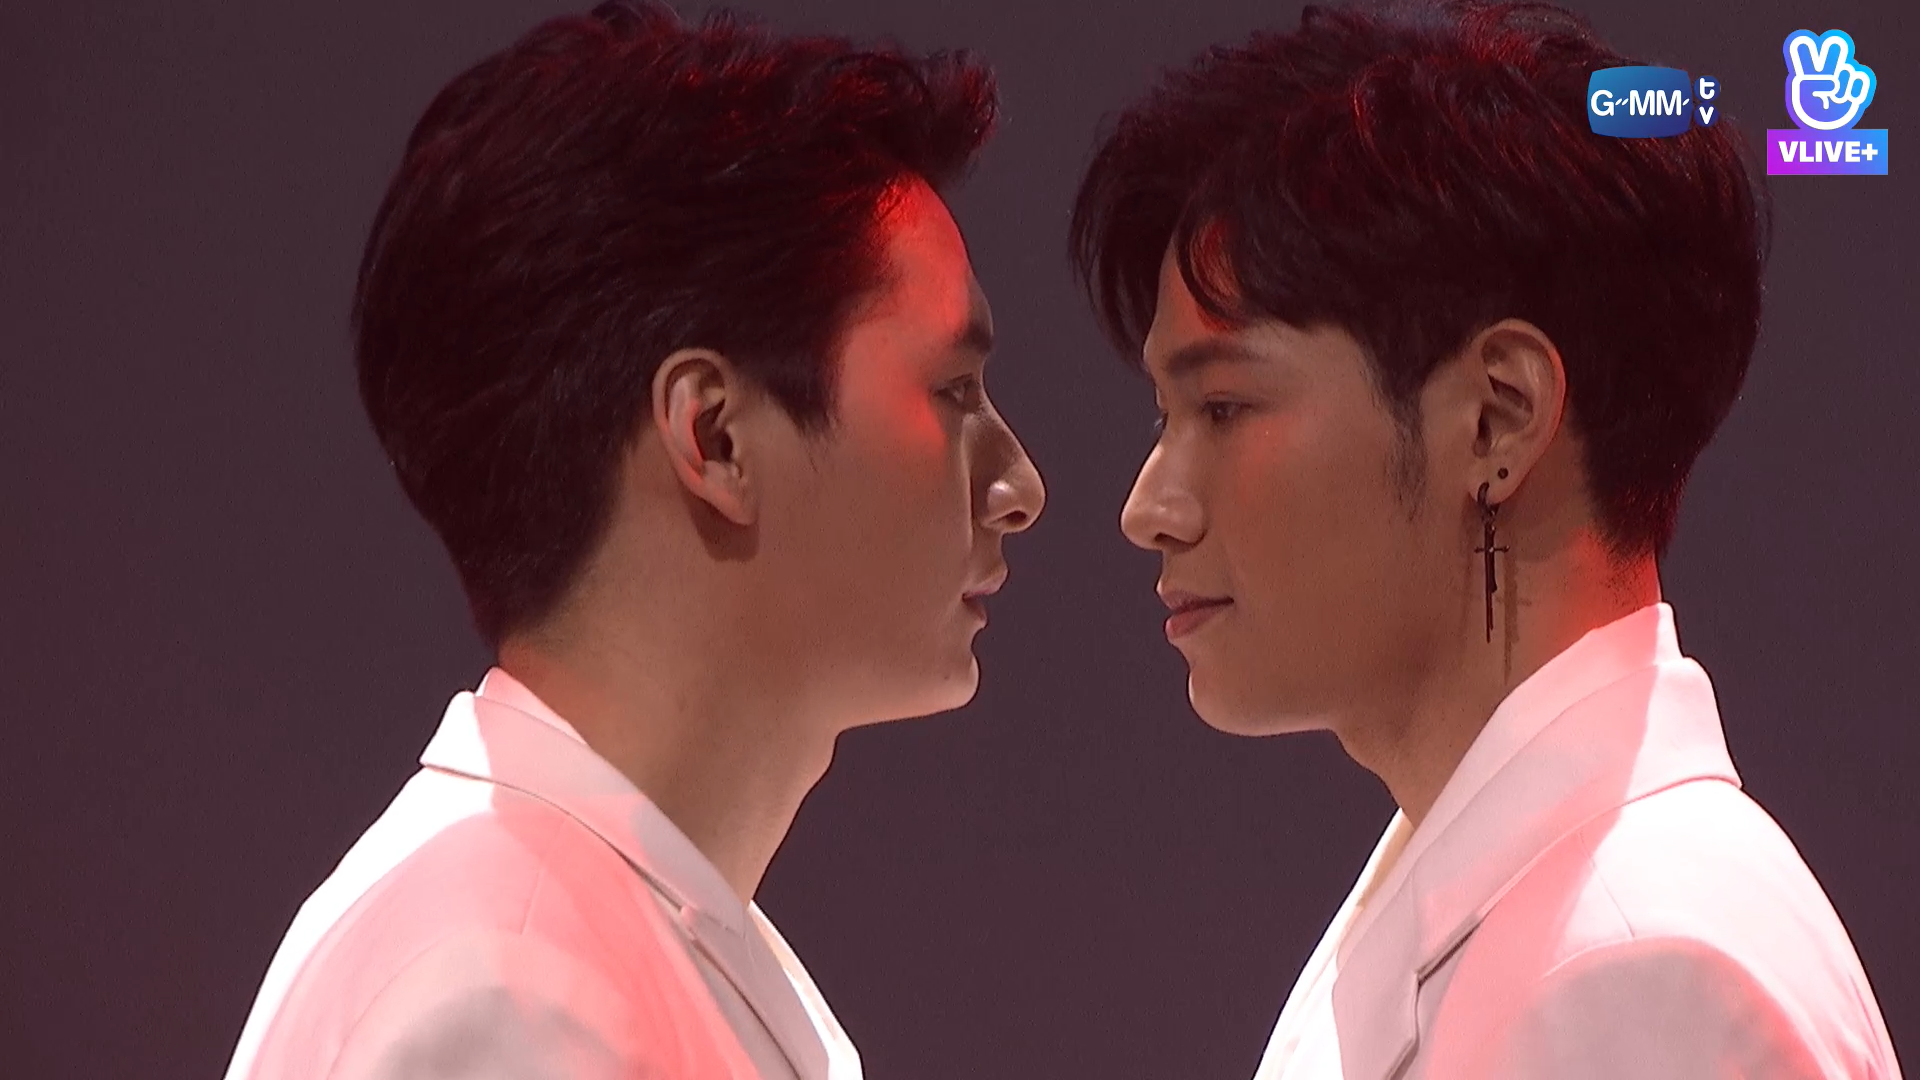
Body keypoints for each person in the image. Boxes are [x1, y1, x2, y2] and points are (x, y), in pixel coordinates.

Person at [1070, 1, 1900, 1076]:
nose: (1151, 507)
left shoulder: (1640, 967)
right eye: (1164, 416)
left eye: (1223, 408)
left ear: (1497, 419)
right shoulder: (1471, 901)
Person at [223, 3, 1043, 1078]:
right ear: (714, 437)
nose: (1019, 486)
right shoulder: (509, 995)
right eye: (955, 389)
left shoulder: (615, 937)